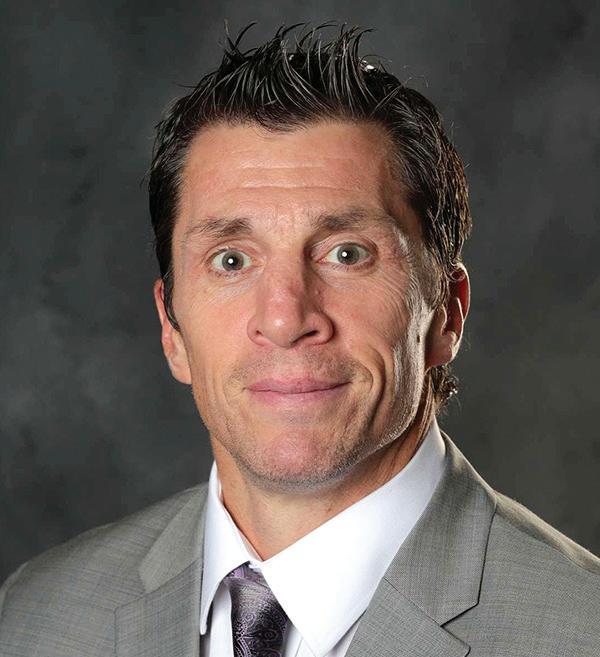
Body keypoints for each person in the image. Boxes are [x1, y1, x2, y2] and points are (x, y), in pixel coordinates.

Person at [0, 22, 598, 657]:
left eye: (347, 253)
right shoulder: (34, 618)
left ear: (446, 313)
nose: (286, 320)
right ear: (171, 328)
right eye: (232, 260)